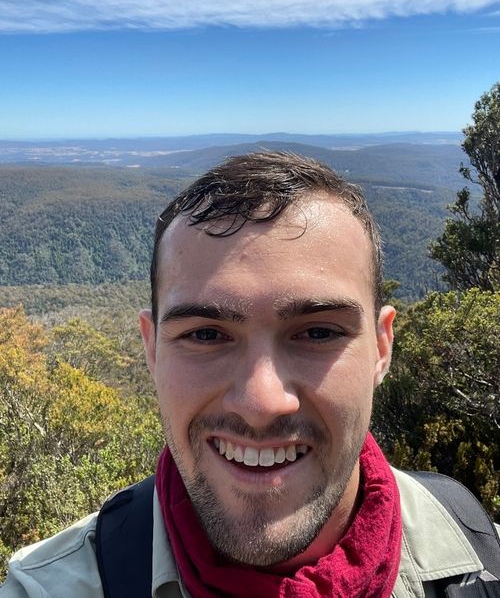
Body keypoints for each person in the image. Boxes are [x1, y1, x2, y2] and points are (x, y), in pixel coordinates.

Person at [1, 151, 498, 598]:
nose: (261, 402)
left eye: (319, 332)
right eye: (205, 335)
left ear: (381, 347)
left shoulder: (483, 562)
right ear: (152, 351)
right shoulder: (46, 587)